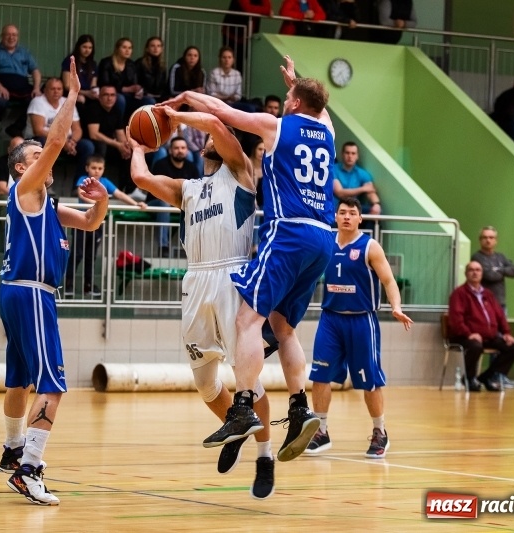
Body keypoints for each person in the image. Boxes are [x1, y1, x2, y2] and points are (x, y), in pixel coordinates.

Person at [165, 55, 335, 464]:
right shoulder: (327, 132)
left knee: (248, 320)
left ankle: (241, 406)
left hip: (289, 231)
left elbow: (224, 113)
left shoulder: (278, 126)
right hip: (323, 239)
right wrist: (301, 83)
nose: (284, 97)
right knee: (285, 328)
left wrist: (185, 98)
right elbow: (320, 108)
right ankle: (299, 408)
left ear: (293, 104)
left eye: (288, 94)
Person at [129, 106, 278, 499]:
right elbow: (140, 177)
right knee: (205, 383)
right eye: (211, 138)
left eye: (220, 136)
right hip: (196, 280)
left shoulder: (241, 171)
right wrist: (137, 143)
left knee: (248, 378)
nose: (211, 139)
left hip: (232, 278)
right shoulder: (188, 189)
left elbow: (214, 123)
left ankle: (265, 456)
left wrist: (175, 115)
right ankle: (236, 424)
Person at [0, 58, 110, 506]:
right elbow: (59, 139)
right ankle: (30, 468)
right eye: (33, 155)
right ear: (23, 167)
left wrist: (101, 201)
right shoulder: (25, 190)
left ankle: (11, 448)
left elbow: (89, 222)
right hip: (29, 291)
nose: (43, 157)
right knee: (53, 384)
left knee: (18, 379)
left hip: (20, 293)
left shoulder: (46, 205)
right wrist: (71, 95)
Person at [305, 197, 413, 458]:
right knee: (319, 375)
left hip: (361, 320)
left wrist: (395, 306)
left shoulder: (370, 247)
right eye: (342, 212)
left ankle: (380, 432)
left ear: (360, 218)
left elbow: (388, 281)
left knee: (369, 381)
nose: (346, 217)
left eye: (352, 213)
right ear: (335, 216)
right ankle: (321, 431)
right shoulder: (325, 241)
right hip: (330, 318)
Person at [65, 154, 146, 297]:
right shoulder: (83, 180)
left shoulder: (105, 182)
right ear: (87, 168)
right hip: (81, 222)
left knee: (91, 256)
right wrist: (98, 204)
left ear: (103, 169)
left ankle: (88, 286)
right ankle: (69, 285)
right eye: (93, 168)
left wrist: (136, 203)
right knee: (77, 255)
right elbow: (82, 194)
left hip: (97, 223)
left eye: (100, 168)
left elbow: (119, 194)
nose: (96, 171)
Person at [447, 261, 514, 393]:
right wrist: (469, 333)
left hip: (488, 336)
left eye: (478, 270)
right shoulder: (459, 293)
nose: (475, 272)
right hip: (463, 336)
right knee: (475, 346)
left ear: (482, 274)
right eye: (471, 270)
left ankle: (486, 377)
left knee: (513, 347)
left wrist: (506, 333)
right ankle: (469, 378)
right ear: (466, 273)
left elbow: (500, 316)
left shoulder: (488, 294)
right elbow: (456, 319)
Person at [23, 77, 94, 179]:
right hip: (43, 140)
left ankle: (79, 185)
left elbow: (77, 129)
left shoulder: (68, 102)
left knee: (87, 146)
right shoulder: (38, 102)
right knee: (41, 143)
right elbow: (38, 130)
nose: (56, 91)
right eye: (52, 89)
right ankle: (43, 181)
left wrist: (72, 141)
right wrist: (63, 142)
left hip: (65, 142)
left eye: (59, 89)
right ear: (45, 90)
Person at [148, 137, 200, 257]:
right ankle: (163, 246)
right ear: (170, 150)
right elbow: (157, 190)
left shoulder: (191, 167)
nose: (180, 151)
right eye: (176, 148)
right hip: (155, 203)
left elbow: (197, 190)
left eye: (183, 148)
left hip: (181, 203)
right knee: (164, 202)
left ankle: (194, 247)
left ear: (187, 151)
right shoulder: (160, 165)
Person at [0, 24, 41, 121]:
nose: (11, 37)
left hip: (22, 87)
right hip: (0, 86)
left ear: (18, 37)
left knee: (36, 102)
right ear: (2, 36)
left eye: (14, 35)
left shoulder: (25, 52)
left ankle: (17, 127)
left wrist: (36, 88)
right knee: (0, 102)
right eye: (8, 34)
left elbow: (35, 71)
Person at [97, 38, 154, 119]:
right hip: (112, 94)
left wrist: (139, 90)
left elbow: (135, 83)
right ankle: (119, 127)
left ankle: (142, 127)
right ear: (117, 49)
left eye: (130, 48)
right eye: (124, 47)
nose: (127, 50)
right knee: (120, 99)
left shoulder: (131, 64)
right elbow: (104, 83)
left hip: (129, 96)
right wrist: (125, 89)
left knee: (150, 101)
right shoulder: (107, 62)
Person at [470, 226, 514, 311]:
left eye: (491, 238)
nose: (488, 240)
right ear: (480, 240)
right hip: (484, 303)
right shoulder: (477, 257)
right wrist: (503, 271)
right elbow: (490, 276)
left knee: (502, 325)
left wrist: (498, 269)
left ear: (496, 240)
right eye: (485, 237)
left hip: (501, 304)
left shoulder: (501, 256)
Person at [221, 0, 273, 73]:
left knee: (241, 66)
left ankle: (238, 83)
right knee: (228, 63)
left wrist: (265, 10)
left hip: (247, 36)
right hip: (232, 33)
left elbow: (268, 8)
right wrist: (264, 10)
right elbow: (247, 9)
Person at [332, 141, 381, 218]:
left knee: (375, 212)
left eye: (353, 153)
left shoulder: (362, 173)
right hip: (336, 208)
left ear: (357, 156)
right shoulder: (333, 169)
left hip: (354, 208)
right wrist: (363, 189)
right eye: (347, 153)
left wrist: (376, 204)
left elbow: (370, 191)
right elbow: (339, 193)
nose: (350, 156)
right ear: (342, 154)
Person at [206, 46, 255, 113]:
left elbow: (238, 95)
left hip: (232, 104)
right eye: (224, 57)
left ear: (233, 60)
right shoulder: (214, 73)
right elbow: (211, 94)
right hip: (217, 104)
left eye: (229, 57)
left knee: (251, 108)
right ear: (220, 59)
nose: (227, 60)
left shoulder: (237, 74)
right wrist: (227, 97)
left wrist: (226, 97)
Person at [61, 35, 98, 108]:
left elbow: (93, 85)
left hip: (88, 94)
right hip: (71, 94)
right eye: (84, 47)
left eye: (90, 48)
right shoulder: (70, 61)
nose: (87, 50)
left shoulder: (93, 64)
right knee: (80, 102)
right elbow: (67, 86)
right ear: (78, 47)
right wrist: (85, 93)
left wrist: (95, 92)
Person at [136, 36, 168, 103]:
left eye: (158, 46)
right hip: (144, 96)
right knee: (151, 101)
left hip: (159, 96)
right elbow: (137, 84)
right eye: (152, 46)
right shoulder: (140, 63)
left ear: (161, 49)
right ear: (147, 49)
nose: (156, 48)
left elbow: (164, 86)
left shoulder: (162, 65)